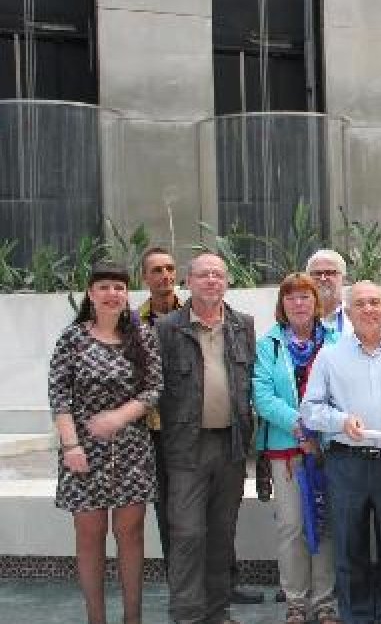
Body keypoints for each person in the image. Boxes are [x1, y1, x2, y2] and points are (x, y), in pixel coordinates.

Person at [301, 281, 381, 624]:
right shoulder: (329, 356)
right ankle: (355, 616)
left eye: (375, 302)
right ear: (348, 310)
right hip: (347, 462)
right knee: (349, 546)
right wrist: (341, 421)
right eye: (360, 304)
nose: (369, 309)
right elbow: (310, 409)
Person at [50, 261, 162, 624]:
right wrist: (71, 447)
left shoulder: (142, 335)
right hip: (82, 451)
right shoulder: (73, 338)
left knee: (130, 534)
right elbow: (59, 396)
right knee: (90, 535)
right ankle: (95, 618)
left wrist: (120, 417)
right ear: (90, 294)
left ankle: (133, 618)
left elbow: (154, 388)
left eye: (119, 287)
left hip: (131, 449)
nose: (112, 294)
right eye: (104, 287)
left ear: (127, 294)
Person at [156, 252, 257, 624]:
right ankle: (186, 615)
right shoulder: (167, 328)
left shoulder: (242, 325)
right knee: (186, 534)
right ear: (189, 281)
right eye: (203, 275)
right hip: (186, 447)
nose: (211, 280)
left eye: (218, 274)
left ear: (226, 280)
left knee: (221, 535)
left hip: (231, 446)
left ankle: (218, 613)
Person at [252, 273, 341, 624]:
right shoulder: (269, 344)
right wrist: (300, 426)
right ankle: (296, 602)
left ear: (316, 302)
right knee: (291, 526)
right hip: (286, 450)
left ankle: (325, 603)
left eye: (305, 296)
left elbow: (343, 390)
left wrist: (320, 429)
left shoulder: (336, 342)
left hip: (328, 448)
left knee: (324, 523)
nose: (298, 303)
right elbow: (262, 396)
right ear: (282, 304)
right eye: (291, 298)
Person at [136, 247, 181, 564]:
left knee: (209, 506)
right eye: (157, 270)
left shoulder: (195, 313)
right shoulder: (133, 325)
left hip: (196, 425)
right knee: (166, 505)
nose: (165, 276)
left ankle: (224, 580)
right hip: (155, 429)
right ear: (145, 278)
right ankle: (176, 578)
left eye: (169, 268)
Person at [307, 249, 351, 334]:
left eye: (330, 273)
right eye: (317, 273)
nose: (323, 278)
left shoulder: (355, 317)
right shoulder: (297, 317)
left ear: (344, 278)